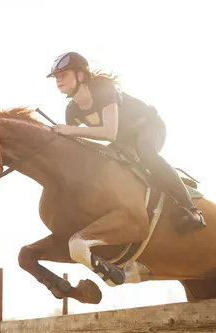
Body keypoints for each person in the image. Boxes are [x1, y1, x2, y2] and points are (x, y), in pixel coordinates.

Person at [46, 51, 206, 234]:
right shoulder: (72, 110)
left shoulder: (103, 89)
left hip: (148, 127)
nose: (59, 80)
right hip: (125, 140)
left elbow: (109, 132)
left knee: (147, 154)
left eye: (64, 75)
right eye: (56, 77)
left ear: (80, 75)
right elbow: (73, 145)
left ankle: (192, 209)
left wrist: (70, 130)